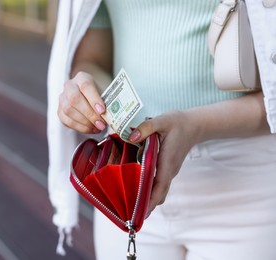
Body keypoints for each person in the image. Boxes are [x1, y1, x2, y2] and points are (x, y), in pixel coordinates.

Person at [47, 0, 276, 259]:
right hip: (129, 179)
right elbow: (92, 58)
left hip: (247, 187)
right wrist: (89, 95)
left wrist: (195, 125)